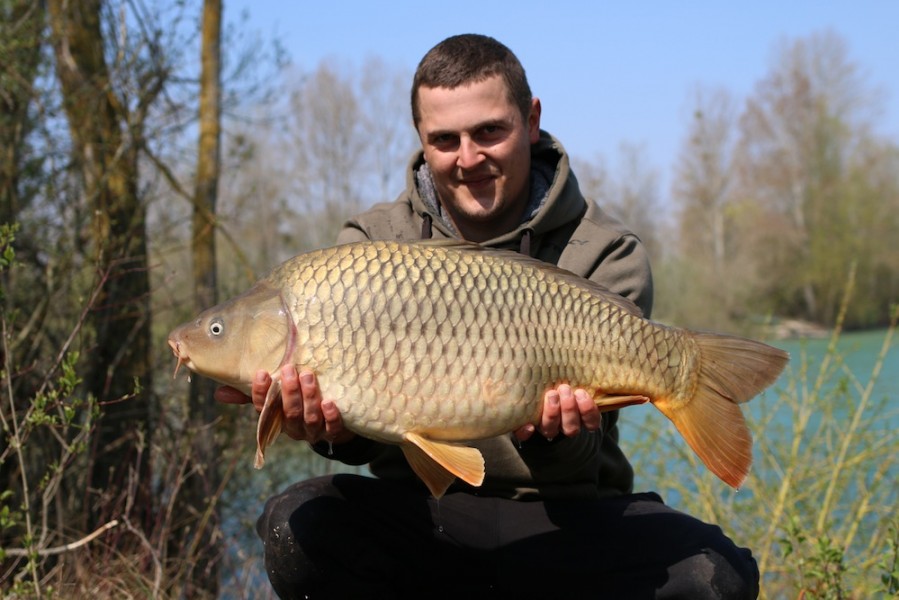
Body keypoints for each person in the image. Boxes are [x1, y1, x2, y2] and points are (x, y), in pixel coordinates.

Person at [216, 34, 759, 599]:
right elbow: (366, 435)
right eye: (444, 139)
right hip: (426, 515)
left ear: (531, 120)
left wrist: (553, 435)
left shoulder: (604, 250)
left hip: (566, 517)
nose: (468, 157)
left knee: (714, 575)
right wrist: (327, 433)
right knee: (299, 525)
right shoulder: (371, 245)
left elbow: (578, 462)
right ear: (422, 141)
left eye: (489, 131)